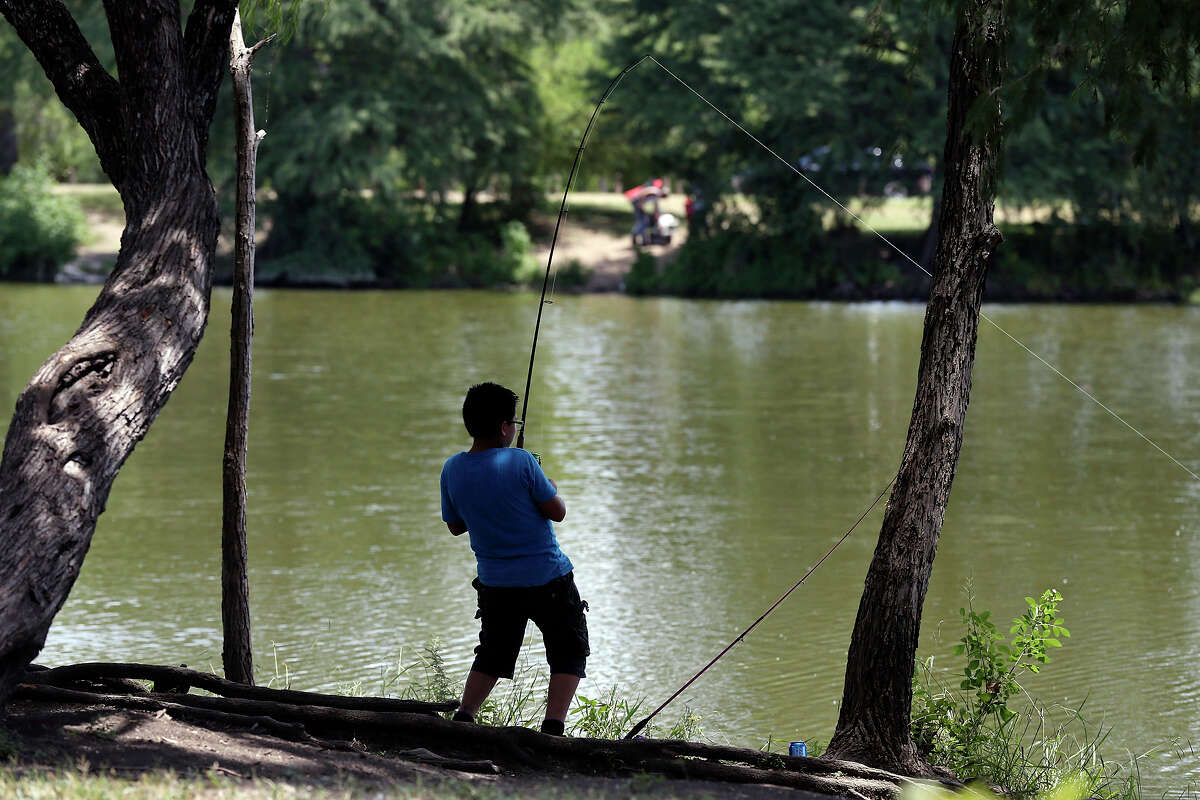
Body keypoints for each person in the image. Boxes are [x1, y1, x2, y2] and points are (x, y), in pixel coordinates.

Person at [439, 382, 589, 736]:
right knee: (570, 648)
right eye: (514, 424)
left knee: (493, 652)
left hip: (496, 583)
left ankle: (464, 718)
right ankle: (553, 728)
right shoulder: (522, 462)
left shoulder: (452, 468)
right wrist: (547, 483)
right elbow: (558, 511)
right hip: (547, 578)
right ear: (506, 427)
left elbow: (455, 526)